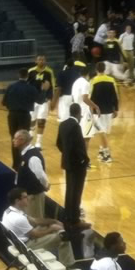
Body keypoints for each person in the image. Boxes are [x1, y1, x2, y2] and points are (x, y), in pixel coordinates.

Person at [57, 102, 92, 258]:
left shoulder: (63, 124)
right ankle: (75, 219)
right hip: (77, 164)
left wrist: (66, 155)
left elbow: (59, 143)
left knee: (70, 190)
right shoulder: (76, 126)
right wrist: (85, 160)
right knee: (76, 192)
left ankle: (68, 216)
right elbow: (79, 147)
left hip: (67, 163)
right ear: (78, 113)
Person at [1, 188, 71, 265]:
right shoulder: (18, 218)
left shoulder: (9, 211)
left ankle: (60, 258)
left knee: (48, 225)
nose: (28, 199)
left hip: (19, 241)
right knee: (63, 236)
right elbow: (35, 235)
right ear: (17, 201)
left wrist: (54, 221)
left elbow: (35, 221)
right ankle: (68, 264)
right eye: (25, 197)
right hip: (26, 246)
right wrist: (52, 228)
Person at [12, 129, 49, 219]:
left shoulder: (32, 156)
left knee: (35, 221)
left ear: (22, 140)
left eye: (15, 138)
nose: (13, 140)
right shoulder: (25, 153)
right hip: (27, 196)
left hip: (33, 197)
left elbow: (40, 175)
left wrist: (45, 185)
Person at [1, 68, 38, 155]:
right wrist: (44, 90)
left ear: (19, 75)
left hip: (12, 115)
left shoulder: (11, 86)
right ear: (27, 76)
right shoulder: (31, 88)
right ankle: (23, 160)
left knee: (14, 138)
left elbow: (3, 102)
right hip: (25, 116)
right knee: (23, 138)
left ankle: (15, 164)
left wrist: (13, 106)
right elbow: (40, 100)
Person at [88, 61, 119, 164]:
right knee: (104, 132)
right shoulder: (111, 80)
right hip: (109, 110)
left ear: (96, 69)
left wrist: (91, 110)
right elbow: (115, 96)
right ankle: (101, 151)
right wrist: (116, 109)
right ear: (104, 69)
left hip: (98, 112)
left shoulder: (93, 81)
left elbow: (90, 97)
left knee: (101, 132)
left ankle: (107, 155)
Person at [26, 54, 56, 137]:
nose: (41, 61)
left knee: (41, 121)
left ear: (45, 61)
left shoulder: (49, 72)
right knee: (32, 120)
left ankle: (38, 142)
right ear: (36, 61)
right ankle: (30, 137)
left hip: (44, 100)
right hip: (33, 100)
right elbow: (26, 85)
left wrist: (51, 99)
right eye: (39, 59)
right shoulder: (31, 71)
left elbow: (53, 86)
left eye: (43, 60)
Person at [55, 59, 85, 123]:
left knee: (64, 118)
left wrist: (54, 100)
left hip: (64, 97)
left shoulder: (60, 73)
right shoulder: (78, 75)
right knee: (74, 117)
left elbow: (59, 88)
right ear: (73, 65)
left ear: (66, 65)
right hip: (75, 97)